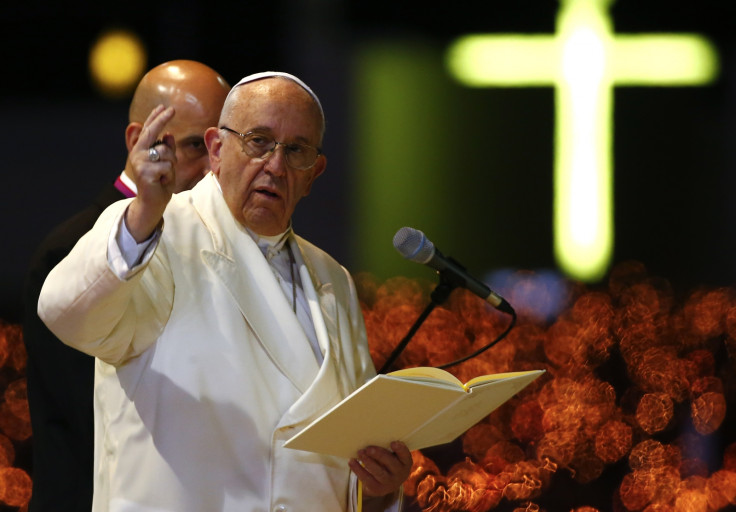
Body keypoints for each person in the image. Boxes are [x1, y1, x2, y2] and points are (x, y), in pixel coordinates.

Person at [37, 71, 412, 511]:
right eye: (258, 141)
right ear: (217, 149)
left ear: (315, 172)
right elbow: (66, 314)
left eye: (296, 151)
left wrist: (380, 487)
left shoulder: (333, 278)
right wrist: (143, 213)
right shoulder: (158, 232)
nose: (275, 165)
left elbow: (342, 460)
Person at [22, 59, 230, 512]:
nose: (213, 169)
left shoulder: (217, 250)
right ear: (139, 141)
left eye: (222, 147)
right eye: (196, 145)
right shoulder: (73, 251)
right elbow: (100, 419)